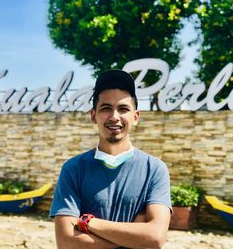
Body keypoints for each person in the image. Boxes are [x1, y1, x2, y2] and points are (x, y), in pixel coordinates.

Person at [49, 69, 172, 248]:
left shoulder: (154, 169)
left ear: (136, 117)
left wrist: (87, 222)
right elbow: (66, 242)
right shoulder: (73, 168)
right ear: (93, 116)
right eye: (106, 108)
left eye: (123, 109)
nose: (114, 117)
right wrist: (133, 236)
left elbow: (154, 238)